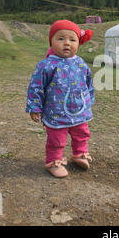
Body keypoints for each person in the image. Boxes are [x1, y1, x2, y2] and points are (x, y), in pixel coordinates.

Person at [26, 20, 94, 178]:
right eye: (61, 39)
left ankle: (79, 153)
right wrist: (34, 107)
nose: (67, 43)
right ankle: (53, 161)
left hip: (80, 111)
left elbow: (89, 84)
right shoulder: (46, 65)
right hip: (56, 112)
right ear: (51, 42)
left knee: (82, 133)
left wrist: (89, 101)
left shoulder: (81, 64)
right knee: (57, 139)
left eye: (72, 39)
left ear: (78, 43)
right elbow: (36, 86)